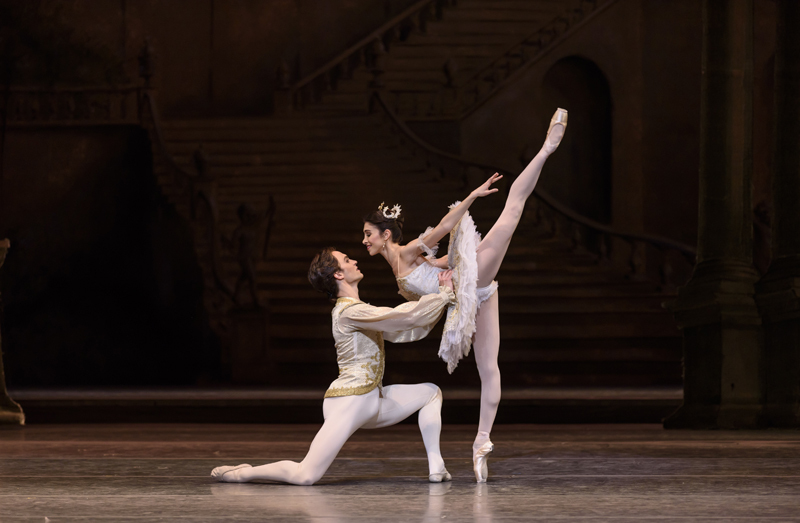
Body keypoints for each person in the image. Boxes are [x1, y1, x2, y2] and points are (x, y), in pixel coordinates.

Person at [361, 108, 568, 482]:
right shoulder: (398, 277)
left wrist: (472, 195)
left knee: (512, 213)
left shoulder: (406, 251)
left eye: (368, 235)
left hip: (470, 279)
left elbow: (443, 227)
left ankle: (546, 149)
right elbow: (436, 273)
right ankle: (481, 444)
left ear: (385, 235)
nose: (365, 241)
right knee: (489, 370)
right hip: (476, 297)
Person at [211, 248, 456, 485]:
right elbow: (404, 317)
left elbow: (406, 327)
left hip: (371, 400)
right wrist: (443, 295)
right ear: (338, 274)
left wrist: (442, 298)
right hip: (350, 401)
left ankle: (437, 467)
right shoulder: (349, 313)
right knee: (305, 475)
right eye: (347, 260)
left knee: (430, 393)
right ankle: (242, 473)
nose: (354, 262)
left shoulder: (360, 312)